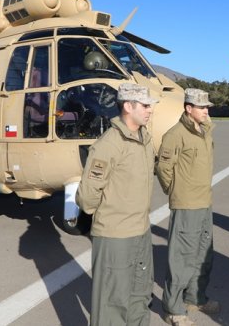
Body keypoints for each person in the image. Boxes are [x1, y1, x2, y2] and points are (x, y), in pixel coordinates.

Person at [76, 83, 158, 326]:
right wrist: (109, 215)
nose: (150, 110)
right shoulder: (110, 143)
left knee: (139, 295)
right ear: (128, 106)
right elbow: (88, 195)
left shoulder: (144, 138)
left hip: (140, 230)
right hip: (115, 236)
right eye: (145, 105)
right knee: (112, 303)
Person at [156, 89, 219, 326]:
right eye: (201, 107)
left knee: (203, 254)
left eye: (207, 107)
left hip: (204, 201)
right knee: (181, 258)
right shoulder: (175, 134)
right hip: (186, 204)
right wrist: (176, 192)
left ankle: (196, 297)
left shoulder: (204, 131)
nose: (206, 110)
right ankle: (173, 308)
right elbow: (163, 169)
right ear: (188, 108)